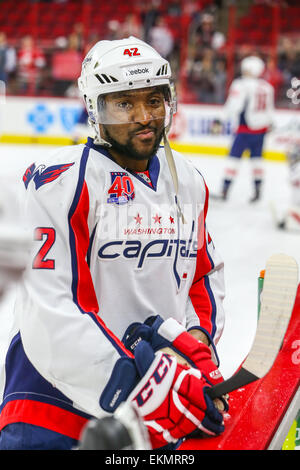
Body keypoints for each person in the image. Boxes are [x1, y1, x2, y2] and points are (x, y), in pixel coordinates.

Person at [0, 36, 228, 450]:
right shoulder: (61, 181)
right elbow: (50, 305)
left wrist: (193, 354)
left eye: (154, 101)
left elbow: (202, 277)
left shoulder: (188, 179)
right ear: (94, 108)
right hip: (55, 399)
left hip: (153, 403)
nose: (144, 116)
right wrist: (135, 388)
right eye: (124, 103)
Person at [214, 55, 275, 202]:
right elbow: (270, 110)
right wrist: (270, 123)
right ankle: (257, 190)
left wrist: (220, 120)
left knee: (233, 159)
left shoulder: (241, 84)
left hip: (245, 129)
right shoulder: (267, 86)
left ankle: (225, 190)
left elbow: (234, 105)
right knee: (257, 160)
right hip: (261, 130)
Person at [274, 142, 300, 231]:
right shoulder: (295, 167)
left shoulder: (297, 168)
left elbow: (292, 180)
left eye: (293, 156)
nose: (290, 159)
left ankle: (290, 221)